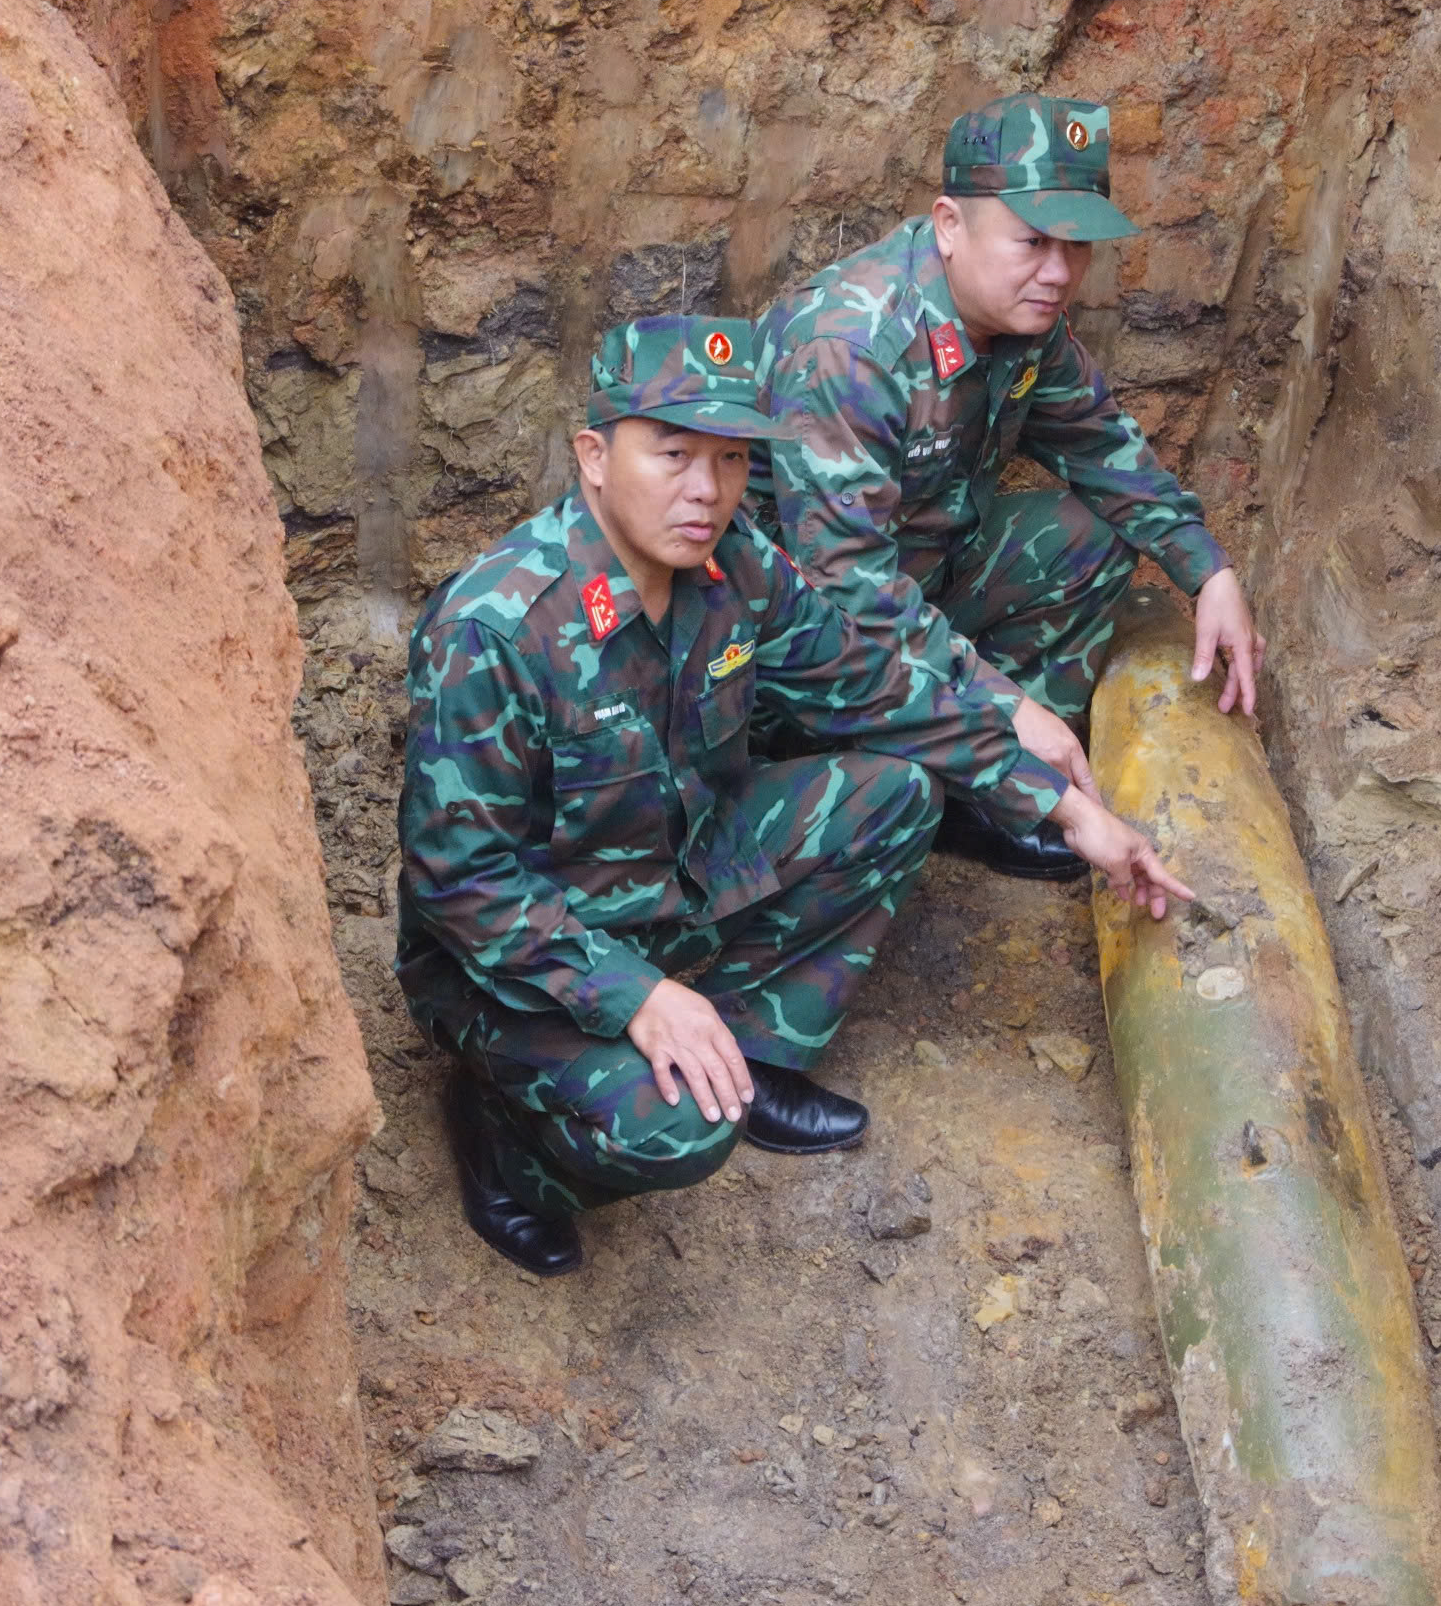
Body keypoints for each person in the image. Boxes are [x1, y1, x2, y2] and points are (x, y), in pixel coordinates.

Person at [394, 315, 1193, 1275]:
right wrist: (634, 994)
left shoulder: (738, 566)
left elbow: (877, 689)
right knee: (680, 1132)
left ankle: (743, 1040)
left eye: (732, 459)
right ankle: (508, 1139)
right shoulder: (495, 629)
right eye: (675, 452)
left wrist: (1069, 809)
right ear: (595, 456)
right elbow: (460, 882)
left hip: (671, 876)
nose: (707, 490)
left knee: (897, 795)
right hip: (526, 953)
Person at [749, 93, 1263, 881]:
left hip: (921, 579)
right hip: (793, 648)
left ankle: (991, 797)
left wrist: (1209, 569)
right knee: (886, 740)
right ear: (950, 225)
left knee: (1090, 538)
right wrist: (1006, 707)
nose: (1059, 274)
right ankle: (969, 767)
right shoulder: (849, 350)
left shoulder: (1021, 316)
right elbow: (848, 594)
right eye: (1031, 241)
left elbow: (1099, 444)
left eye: (1076, 246)